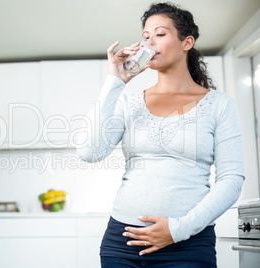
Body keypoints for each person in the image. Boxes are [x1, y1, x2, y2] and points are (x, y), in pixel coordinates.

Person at [76, 2, 245, 268]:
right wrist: (114, 82)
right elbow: (89, 152)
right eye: (145, 36)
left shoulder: (219, 104)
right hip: (122, 242)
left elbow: (232, 180)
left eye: (160, 34)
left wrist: (178, 229)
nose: (149, 42)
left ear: (186, 42)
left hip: (187, 244)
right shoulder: (129, 100)